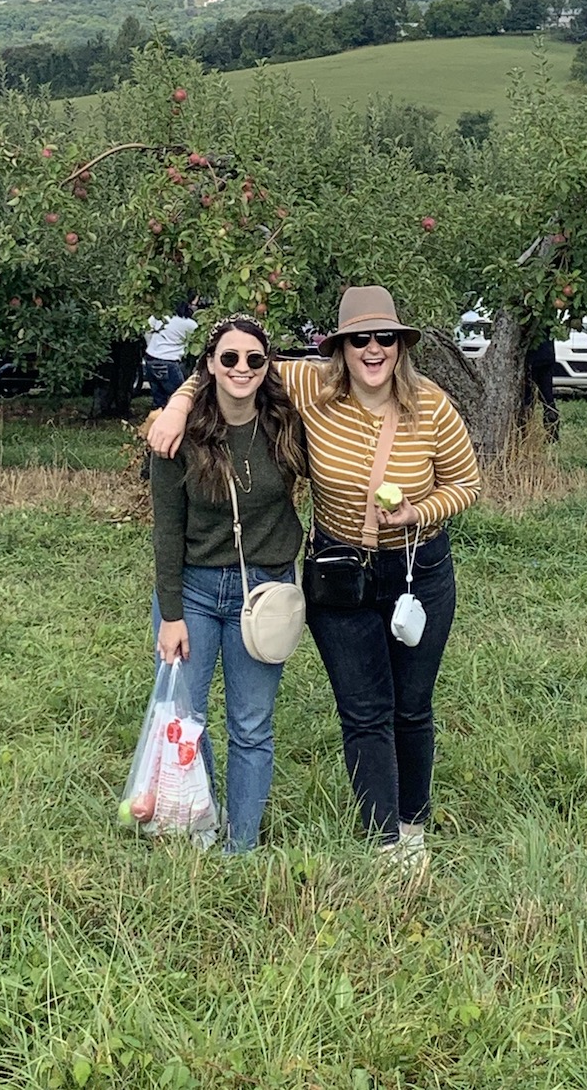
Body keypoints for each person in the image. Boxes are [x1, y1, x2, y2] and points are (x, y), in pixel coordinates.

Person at [150, 286, 480, 863]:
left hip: (415, 571)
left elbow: (466, 485)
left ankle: (412, 825)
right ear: (341, 348)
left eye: (384, 339)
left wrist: (416, 512)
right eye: (359, 340)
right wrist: (177, 406)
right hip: (338, 571)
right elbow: (229, 366)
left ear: (400, 346)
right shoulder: (311, 386)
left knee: (411, 705)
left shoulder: (433, 406)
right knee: (363, 709)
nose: (372, 350)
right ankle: (384, 840)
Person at [151, 314, 307, 853]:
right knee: (187, 719)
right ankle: (202, 819)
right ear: (210, 366)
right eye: (229, 358)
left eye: (254, 359)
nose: (242, 368)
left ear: (268, 367)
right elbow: (166, 530)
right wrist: (170, 614)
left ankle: (241, 847)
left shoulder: (288, 425)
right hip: (194, 590)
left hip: (264, 592)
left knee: (251, 725)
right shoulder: (181, 433)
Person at [144, 300, 198, 410]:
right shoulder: (190, 324)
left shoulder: (160, 317)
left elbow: (146, 329)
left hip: (151, 359)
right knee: (180, 398)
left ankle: (155, 422)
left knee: (158, 400)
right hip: (169, 361)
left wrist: (151, 346)